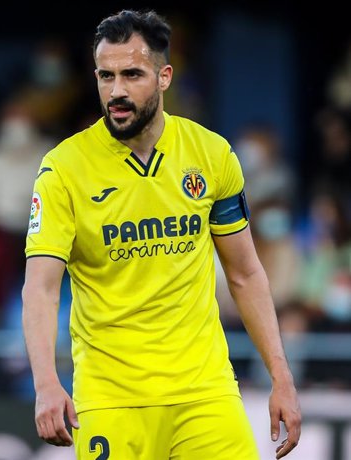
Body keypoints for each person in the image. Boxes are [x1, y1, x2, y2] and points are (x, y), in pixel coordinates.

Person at [21, 9, 302, 460]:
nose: (116, 91)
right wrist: (46, 383)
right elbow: (40, 287)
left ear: (164, 76)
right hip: (112, 398)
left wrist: (281, 378)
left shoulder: (211, 155)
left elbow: (246, 274)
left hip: (205, 392)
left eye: (132, 74)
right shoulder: (63, 169)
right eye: (105, 76)